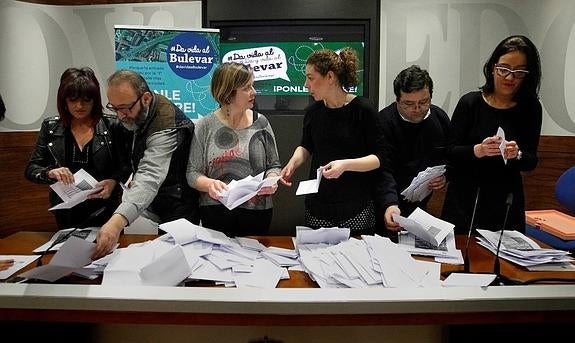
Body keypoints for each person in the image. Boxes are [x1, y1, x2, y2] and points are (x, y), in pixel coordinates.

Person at [92, 69, 200, 259]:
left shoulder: (166, 125)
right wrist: (116, 179)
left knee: (175, 263)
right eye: (114, 108)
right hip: (159, 201)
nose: (120, 115)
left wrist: (116, 223)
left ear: (146, 98)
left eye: (125, 108)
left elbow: (150, 176)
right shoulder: (138, 113)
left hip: (179, 205)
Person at [441, 35, 542, 234]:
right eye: (504, 69)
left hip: (505, 200)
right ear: (493, 67)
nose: (510, 77)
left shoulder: (530, 108)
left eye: (519, 72)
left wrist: (517, 154)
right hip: (465, 198)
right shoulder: (470, 103)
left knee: (504, 262)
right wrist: (477, 150)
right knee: (460, 261)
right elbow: (449, 152)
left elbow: (531, 160)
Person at [279, 48, 384, 235]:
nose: (306, 85)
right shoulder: (314, 111)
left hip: (356, 205)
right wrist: (292, 164)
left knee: (356, 260)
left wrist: (345, 165)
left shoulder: (363, 109)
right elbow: (306, 146)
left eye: (310, 78)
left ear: (330, 77)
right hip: (319, 204)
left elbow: (379, 158)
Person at [25, 67, 129, 230]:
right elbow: (32, 169)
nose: (79, 106)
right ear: (64, 100)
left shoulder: (112, 125)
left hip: (105, 209)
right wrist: (50, 172)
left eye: (86, 100)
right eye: (73, 100)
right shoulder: (51, 127)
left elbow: (127, 165)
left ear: (95, 100)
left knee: (107, 254)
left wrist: (114, 181)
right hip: (65, 212)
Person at [186, 62, 281, 237]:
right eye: (246, 88)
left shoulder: (261, 123)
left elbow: (274, 165)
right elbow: (192, 173)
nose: (254, 92)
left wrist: (272, 179)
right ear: (228, 93)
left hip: (257, 212)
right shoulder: (206, 126)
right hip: (215, 212)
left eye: (252, 85)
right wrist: (209, 184)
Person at [376, 65, 451, 232]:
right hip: (387, 203)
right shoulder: (383, 122)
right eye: (408, 104)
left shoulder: (439, 117)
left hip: (422, 205)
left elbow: (450, 155)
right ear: (397, 100)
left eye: (423, 102)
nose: (417, 109)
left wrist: (445, 176)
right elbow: (382, 171)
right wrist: (390, 203)